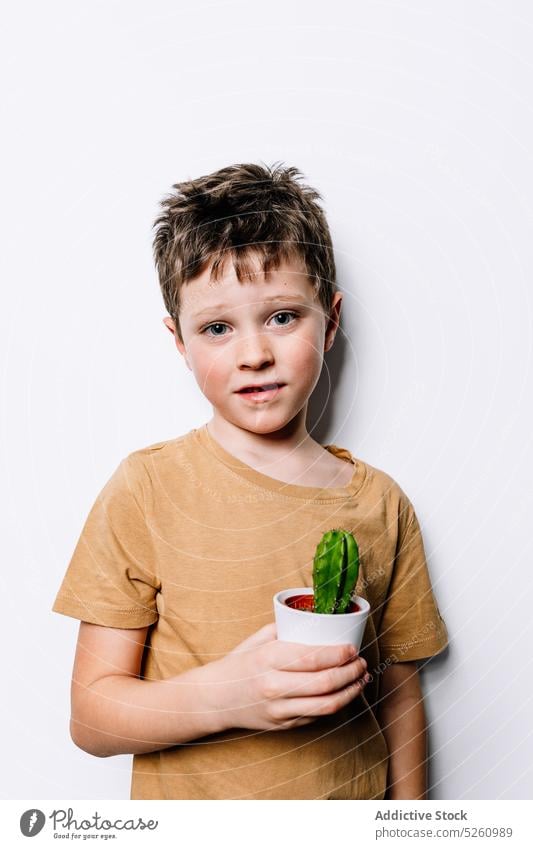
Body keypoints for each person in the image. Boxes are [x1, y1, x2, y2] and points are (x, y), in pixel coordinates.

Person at [52, 161, 449, 800]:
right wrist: (232, 696)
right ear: (179, 342)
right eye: (216, 328)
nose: (254, 353)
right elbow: (92, 717)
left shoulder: (381, 503)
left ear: (332, 318)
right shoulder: (146, 488)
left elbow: (401, 693)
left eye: (283, 317)